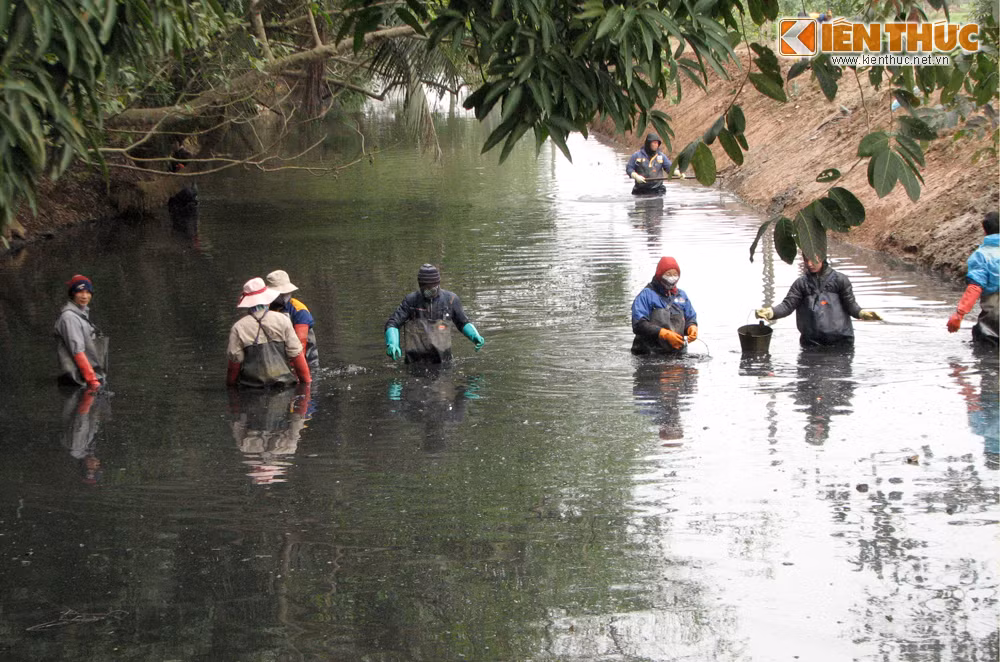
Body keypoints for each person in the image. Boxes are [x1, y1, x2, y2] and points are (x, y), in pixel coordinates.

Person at [755, 252, 881, 347]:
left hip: (841, 344)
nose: (809, 264)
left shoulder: (840, 280)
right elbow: (787, 306)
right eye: (806, 260)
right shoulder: (800, 284)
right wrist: (771, 312)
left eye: (813, 259)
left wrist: (862, 313)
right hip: (811, 345)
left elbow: (851, 306)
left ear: (822, 257)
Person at [384, 264, 485, 363]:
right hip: (414, 362)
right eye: (425, 289)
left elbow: (462, 322)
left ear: (438, 284)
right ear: (420, 286)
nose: (428, 292)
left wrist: (475, 336)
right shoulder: (411, 301)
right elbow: (393, 323)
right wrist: (392, 343)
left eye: (432, 289)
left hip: (443, 362)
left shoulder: (451, 300)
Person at [227, 277, 312, 387]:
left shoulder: (239, 328)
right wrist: (307, 385)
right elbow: (297, 355)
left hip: (251, 388)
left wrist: (230, 388)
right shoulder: (283, 320)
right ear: (267, 299)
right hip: (284, 385)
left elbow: (234, 366)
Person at [947, 211, 999, 346]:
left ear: (984, 231)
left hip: (993, 321)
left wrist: (959, 315)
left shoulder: (981, 256)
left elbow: (975, 288)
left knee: (986, 355)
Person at [631, 256, 698, 355]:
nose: (672, 277)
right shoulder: (646, 294)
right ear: (660, 274)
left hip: (676, 353)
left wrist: (692, 327)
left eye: (675, 274)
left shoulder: (682, 296)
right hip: (647, 354)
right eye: (668, 274)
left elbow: (690, 317)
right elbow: (638, 324)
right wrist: (664, 333)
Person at [54, 274, 108, 390]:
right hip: (77, 380)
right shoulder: (69, 317)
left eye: (88, 292)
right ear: (73, 293)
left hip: (86, 378)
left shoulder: (81, 314)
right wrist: (93, 382)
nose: (85, 296)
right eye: (80, 292)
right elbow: (77, 351)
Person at [267, 269, 320, 368]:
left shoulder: (299, 310)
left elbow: (301, 347)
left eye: (285, 293)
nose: (284, 296)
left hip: (305, 359)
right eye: (280, 294)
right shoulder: (265, 308)